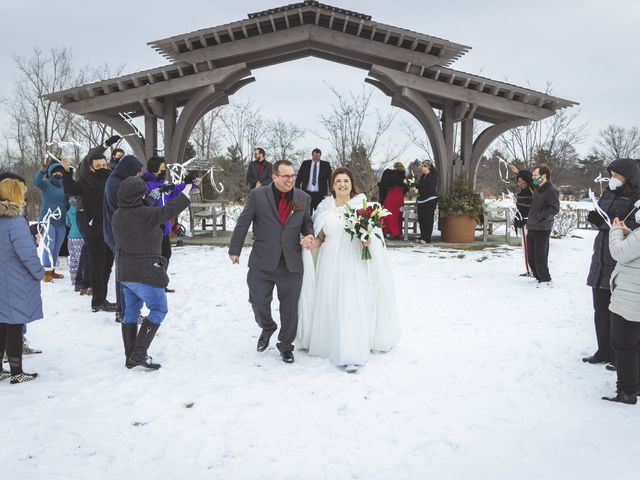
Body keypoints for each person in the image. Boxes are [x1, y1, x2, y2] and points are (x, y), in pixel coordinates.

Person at [297, 167, 401, 372]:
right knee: (331, 300)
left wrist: (367, 240)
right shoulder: (324, 207)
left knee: (351, 302)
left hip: (353, 260)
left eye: (346, 181)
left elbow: (374, 238)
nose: (342, 184)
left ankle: (351, 351)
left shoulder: (362, 206)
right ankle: (330, 342)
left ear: (352, 184)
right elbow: (320, 238)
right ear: (332, 185)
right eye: (338, 181)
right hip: (329, 261)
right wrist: (309, 244)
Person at [229, 159, 314, 364]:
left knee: (290, 308)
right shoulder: (258, 195)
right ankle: (267, 327)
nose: (291, 180)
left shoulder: (303, 197)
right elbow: (244, 221)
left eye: (293, 176)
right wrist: (235, 249)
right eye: (286, 176)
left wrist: (309, 235)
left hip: (291, 262)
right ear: (274, 177)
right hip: (262, 260)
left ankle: (286, 346)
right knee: (258, 301)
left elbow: (307, 222)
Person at [112, 176, 192, 370]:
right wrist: (186, 190)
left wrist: (150, 197)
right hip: (145, 272)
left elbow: (137, 211)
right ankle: (139, 353)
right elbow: (169, 210)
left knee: (131, 312)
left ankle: (130, 356)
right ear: (140, 195)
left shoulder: (118, 214)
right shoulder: (146, 214)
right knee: (159, 309)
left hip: (125, 272)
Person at [583, 158, 640, 368]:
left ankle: (620, 356)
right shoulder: (608, 191)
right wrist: (597, 219)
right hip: (601, 254)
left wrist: (613, 226)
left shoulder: (637, 195)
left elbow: (635, 225)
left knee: (618, 313)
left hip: (623, 258)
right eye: (612, 174)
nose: (614, 179)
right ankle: (603, 350)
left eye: (618, 175)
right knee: (600, 308)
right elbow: (604, 215)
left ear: (629, 177)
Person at [0, 178, 44, 383]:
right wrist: (39, 272)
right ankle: (17, 372)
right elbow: (26, 254)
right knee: (15, 324)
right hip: (14, 280)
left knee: (1, 324)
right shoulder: (15, 221)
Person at [62, 154, 116, 312]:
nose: (102, 168)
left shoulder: (113, 180)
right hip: (94, 230)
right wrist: (66, 171)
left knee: (107, 266)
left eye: (103, 165)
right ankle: (97, 301)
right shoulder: (85, 181)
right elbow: (69, 188)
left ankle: (102, 298)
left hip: (111, 229)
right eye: (98, 166)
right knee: (97, 265)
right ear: (91, 168)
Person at [142, 156, 201, 293]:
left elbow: (176, 190)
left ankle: (160, 282)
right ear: (155, 168)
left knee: (166, 254)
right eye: (162, 168)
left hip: (164, 227)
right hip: (152, 228)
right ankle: (152, 284)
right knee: (154, 257)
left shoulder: (163, 183)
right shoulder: (144, 183)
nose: (164, 170)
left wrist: (191, 183)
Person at [602, 214, 640, 404]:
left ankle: (627, 391)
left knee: (625, 347)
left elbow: (619, 252)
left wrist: (616, 230)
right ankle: (635, 384)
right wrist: (630, 233)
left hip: (630, 300)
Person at [104, 154, 144, 320]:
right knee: (126, 275)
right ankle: (126, 312)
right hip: (120, 235)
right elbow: (129, 207)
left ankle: (124, 311)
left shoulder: (115, 180)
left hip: (116, 233)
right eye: (135, 172)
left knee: (123, 274)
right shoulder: (118, 184)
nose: (137, 176)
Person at [33, 161, 69, 281]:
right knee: (49, 245)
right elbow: (36, 182)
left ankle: (52, 270)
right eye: (55, 171)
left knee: (57, 247)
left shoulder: (66, 186)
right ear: (50, 173)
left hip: (62, 221)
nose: (58, 173)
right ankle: (46, 272)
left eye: (60, 171)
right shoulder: (46, 184)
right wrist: (42, 169)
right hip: (48, 221)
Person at [526, 164, 560, 287]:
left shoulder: (551, 190)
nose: (533, 177)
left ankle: (545, 280)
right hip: (532, 226)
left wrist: (540, 216)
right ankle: (537, 276)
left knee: (540, 255)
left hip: (543, 227)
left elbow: (555, 208)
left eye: (535, 175)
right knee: (531, 256)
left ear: (544, 176)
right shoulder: (536, 188)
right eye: (533, 175)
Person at [513, 168, 534, 276]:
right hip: (523, 224)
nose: (521, 183)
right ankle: (530, 270)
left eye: (523, 181)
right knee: (526, 248)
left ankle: (531, 271)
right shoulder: (520, 194)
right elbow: (520, 209)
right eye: (519, 181)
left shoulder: (533, 190)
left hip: (529, 224)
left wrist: (518, 172)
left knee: (528, 248)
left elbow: (531, 180)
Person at [412, 160, 438, 244]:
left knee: (427, 220)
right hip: (422, 201)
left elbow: (431, 189)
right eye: (422, 166)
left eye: (423, 166)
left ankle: (427, 238)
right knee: (422, 220)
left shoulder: (432, 177)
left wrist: (418, 190)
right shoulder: (423, 176)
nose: (422, 167)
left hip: (430, 201)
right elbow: (421, 186)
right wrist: (414, 185)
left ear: (428, 167)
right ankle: (422, 236)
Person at [379, 162, 407, 239]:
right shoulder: (403, 176)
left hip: (391, 196)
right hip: (400, 198)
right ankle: (397, 233)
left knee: (388, 214)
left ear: (395, 167)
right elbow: (405, 189)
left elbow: (383, 186)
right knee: (398, 215)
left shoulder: (389, 175)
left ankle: (389, 232)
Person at [65, 196, 84, 290]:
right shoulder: (81, 209)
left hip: (70, 237)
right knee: (81, 259)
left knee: (73, 259)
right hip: (80, 237)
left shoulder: (69, 210)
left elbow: (67, 223)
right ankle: (80, 280)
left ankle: (73, 279)